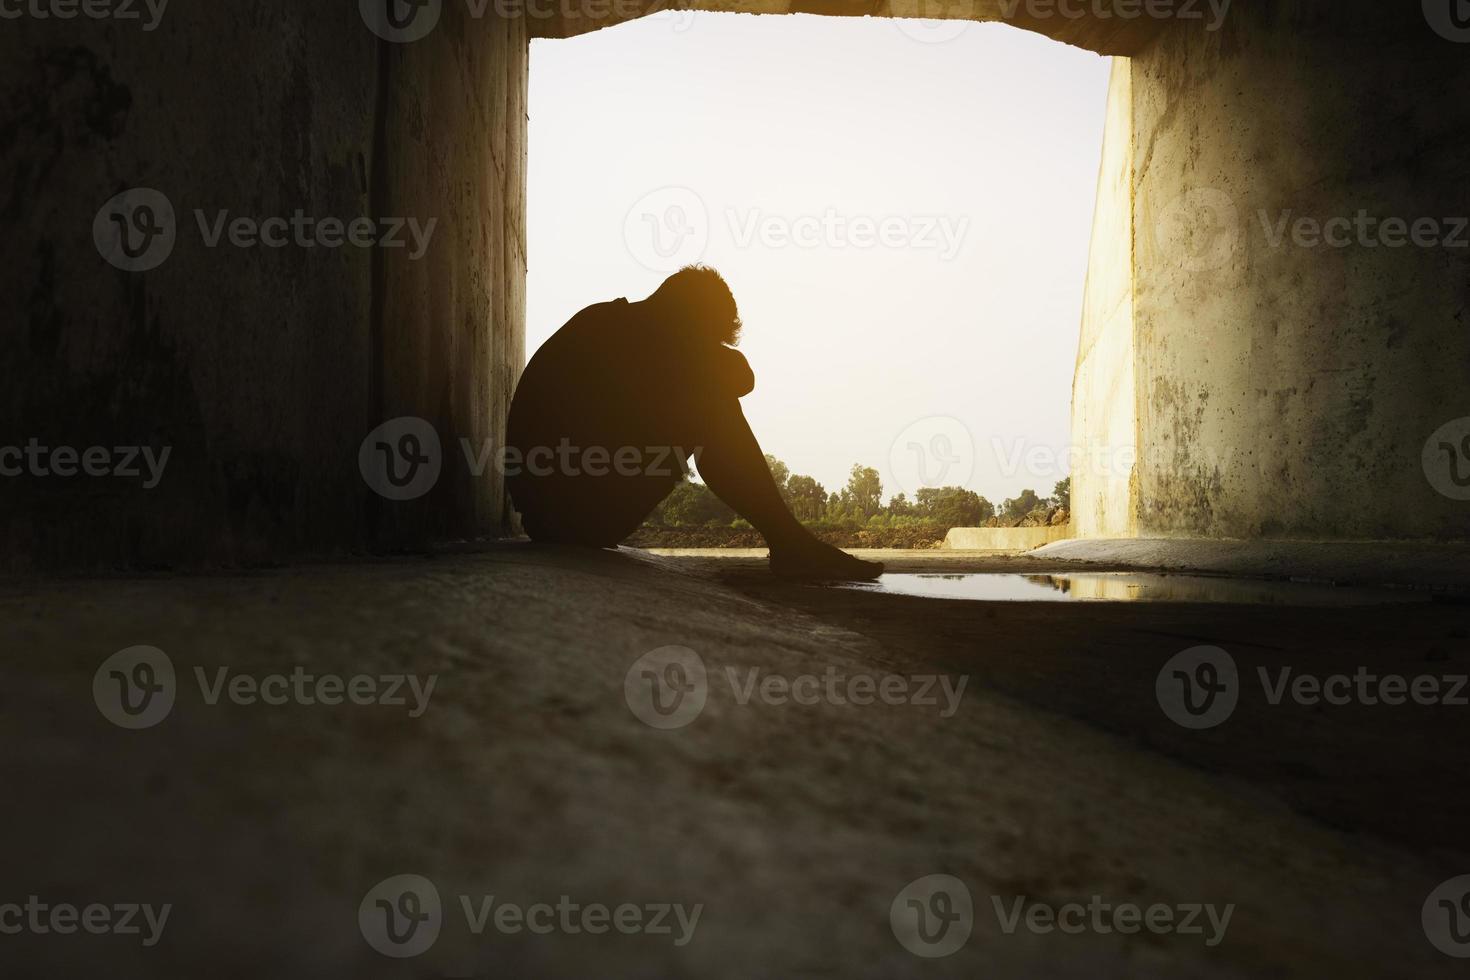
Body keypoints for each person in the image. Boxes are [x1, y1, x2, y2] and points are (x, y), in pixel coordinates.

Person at [506, 265, 882, 579]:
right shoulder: (629, 337)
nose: (706, 347)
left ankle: (790, 542)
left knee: (706, 393)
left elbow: (740, 375)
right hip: (573, 515)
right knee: (711, 403)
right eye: (707, 336)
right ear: (688, 318)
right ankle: (790, 544)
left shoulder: (609, 323)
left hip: (555, 515)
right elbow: (739, 377)